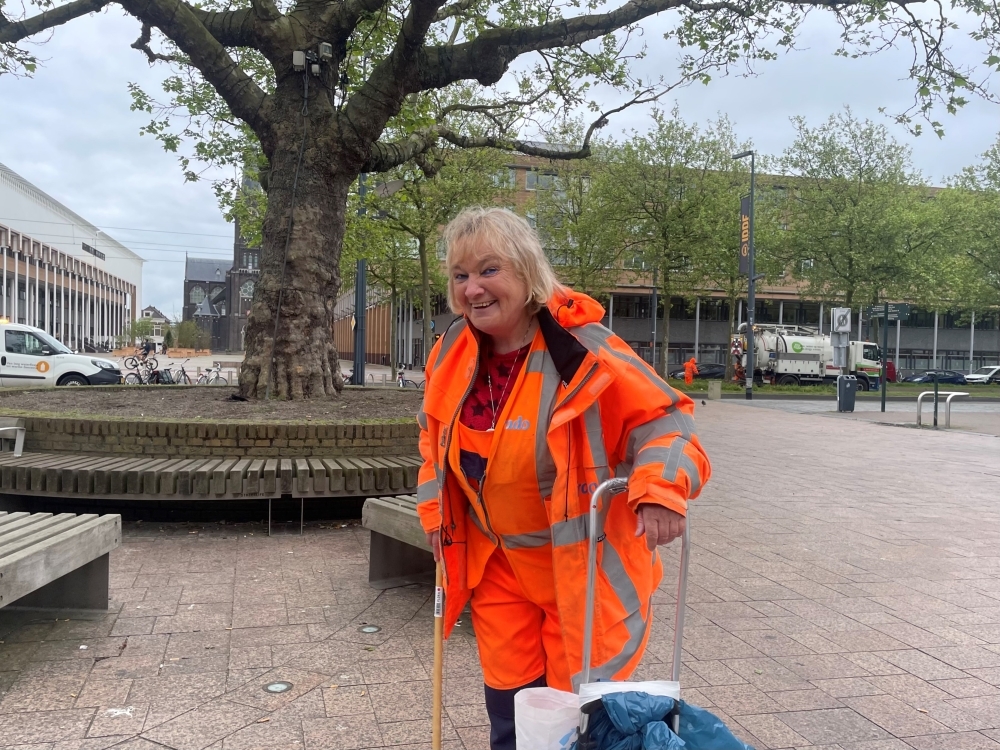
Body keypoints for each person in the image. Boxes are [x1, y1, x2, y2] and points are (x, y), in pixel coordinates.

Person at [415, 207, 711, 750]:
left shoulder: (585, 351)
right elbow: (432, 444)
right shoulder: (450, 352)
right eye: (460, 276)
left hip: (583, 570)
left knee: (585, 720)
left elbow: (667, 420)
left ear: (527, 273)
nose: (473, 288)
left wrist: (660, 490)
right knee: (512, 711)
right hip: (497, 566)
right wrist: (435, 513)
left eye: (488, 270)